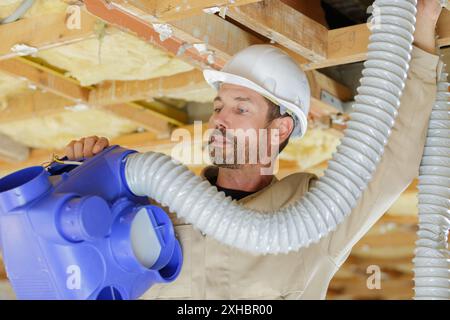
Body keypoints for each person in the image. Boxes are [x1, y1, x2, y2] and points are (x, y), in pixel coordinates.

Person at [65, 0, 443, 299]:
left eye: (240, 108)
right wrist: (76, 175)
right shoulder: (158, 206)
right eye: (218, 107)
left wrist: (422, 25)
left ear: (279, 129)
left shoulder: (316, 215)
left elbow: (393, 155)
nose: (219, 120)